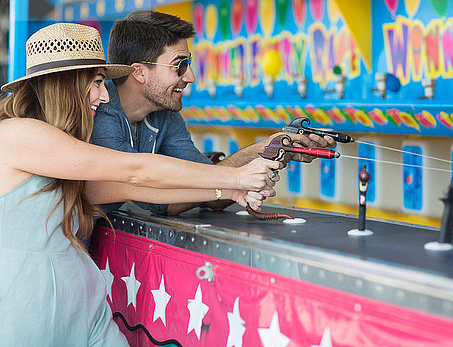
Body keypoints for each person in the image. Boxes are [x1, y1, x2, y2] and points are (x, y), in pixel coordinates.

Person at [0, 22, 281, 346]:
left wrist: (230, 191)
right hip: (25, 304)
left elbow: (134, 188)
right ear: (66, 84)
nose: (105, 96)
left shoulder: (63, 150)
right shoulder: (17, 133)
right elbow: (133, 170)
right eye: (97, 83)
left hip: (83, 302)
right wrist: (234, 176)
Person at [93, 9, 336, 216]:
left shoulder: (164, 112)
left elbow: (209, 187)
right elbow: (150, 192)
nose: (191, 77)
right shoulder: (101, 112)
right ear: (139, 72)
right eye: (180, 66)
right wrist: (239, 179)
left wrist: (270, 149)